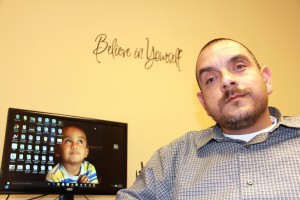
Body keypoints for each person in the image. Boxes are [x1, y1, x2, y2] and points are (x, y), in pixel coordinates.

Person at [116, 38, 300, 199]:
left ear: (266, 79)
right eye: (211, 79)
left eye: (239, 67)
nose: (227, 81)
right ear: (203, 102)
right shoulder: (172, 159)